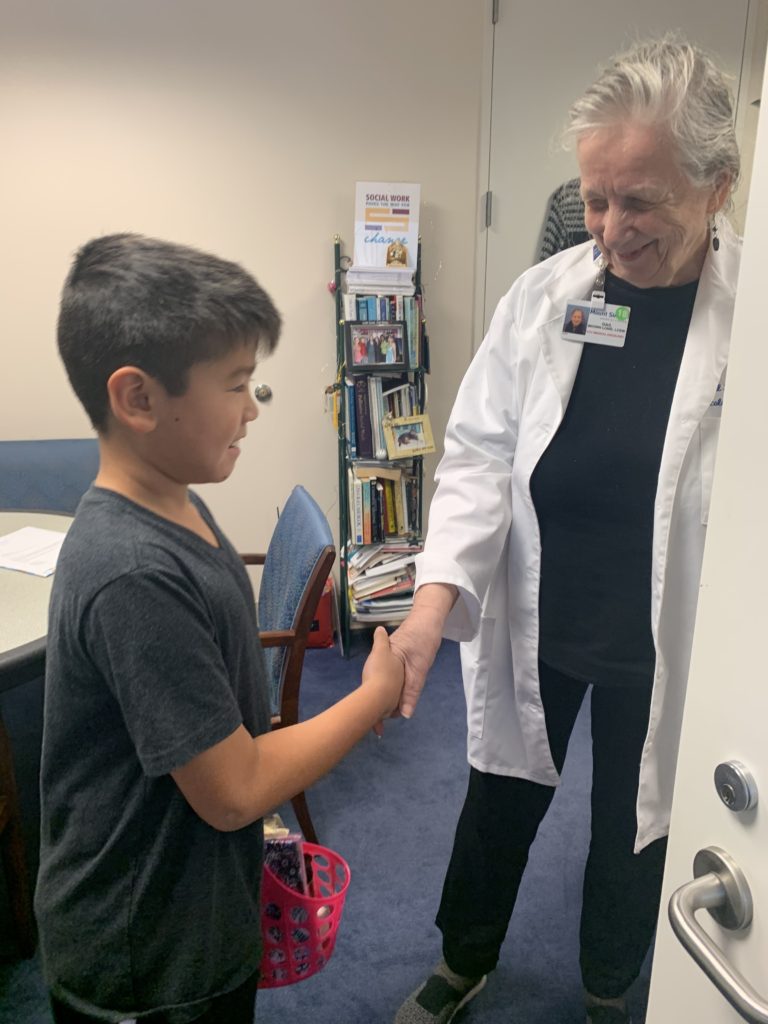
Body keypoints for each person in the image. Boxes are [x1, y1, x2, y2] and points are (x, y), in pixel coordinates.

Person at [391, 37, 740, 1024]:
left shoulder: (749, 317)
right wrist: (432, 601)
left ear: (716, 186)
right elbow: (477, 455)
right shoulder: (551, 299)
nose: (611, 228)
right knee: (498, 797)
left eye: (641, 200)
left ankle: (605, 986)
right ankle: (463, 961)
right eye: (595, 198)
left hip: (663, 634)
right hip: (540, 607)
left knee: (636, 828)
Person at [36, 233, 404, 1024]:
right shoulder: (131, 573)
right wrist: (373, 697)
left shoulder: (176, 499)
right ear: (137, 399)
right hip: (149, 960)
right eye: (235, 384)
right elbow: (233, 792)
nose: (250, 409)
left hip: (192, 913)